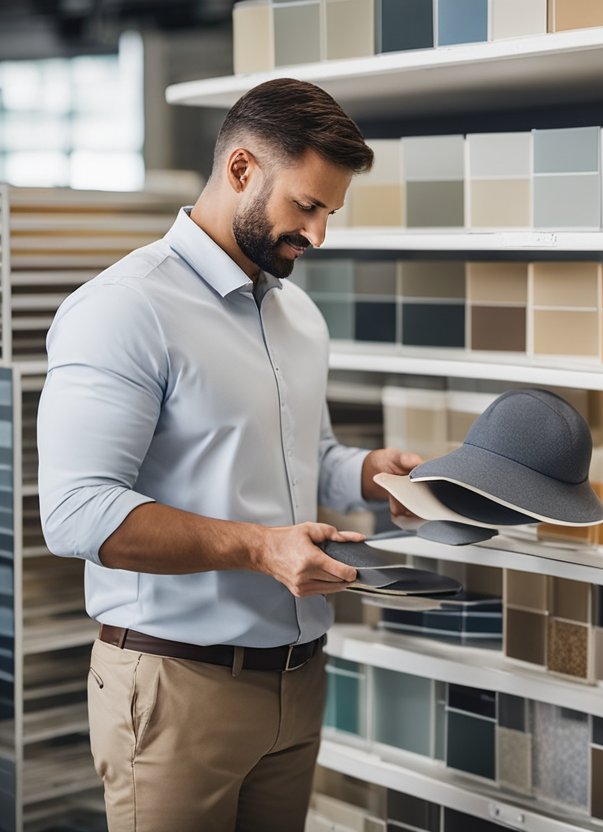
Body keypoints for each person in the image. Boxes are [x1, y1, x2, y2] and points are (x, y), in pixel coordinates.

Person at [38, 78, 416, 831]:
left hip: (297, 683)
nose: (318, 235)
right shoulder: (123, 308)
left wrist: (370, 474)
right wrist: (259, 551)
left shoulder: (299, 314)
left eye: (329, 213)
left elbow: (306, 458)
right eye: (305, 206)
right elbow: (76, 515)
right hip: (176, 685)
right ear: (241, 170)